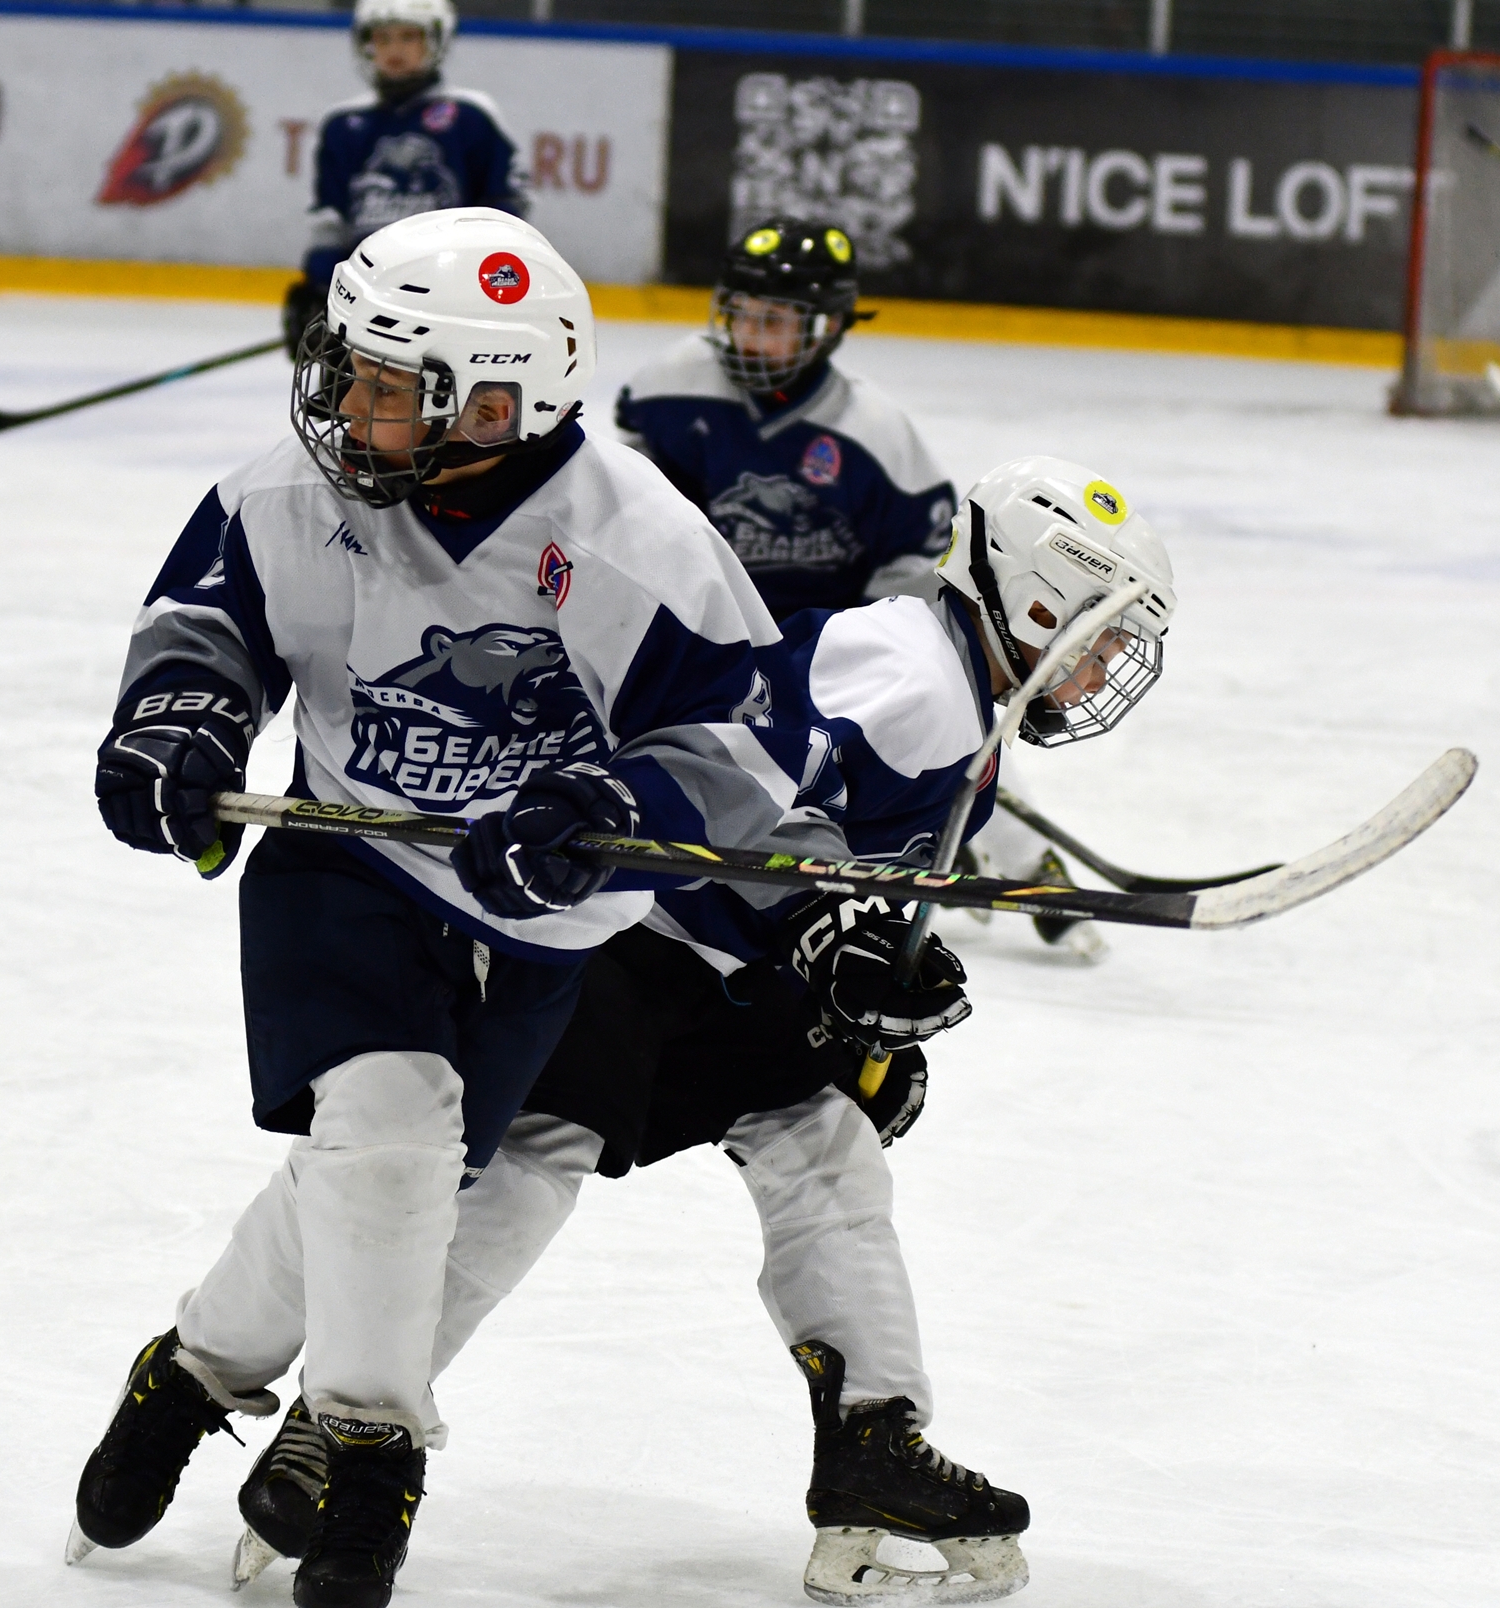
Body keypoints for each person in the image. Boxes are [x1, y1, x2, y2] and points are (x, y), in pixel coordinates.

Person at [65, 207, 848, 1608]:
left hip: (541, 928)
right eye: (351, 368)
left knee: (376, 1188)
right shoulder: (288, 498)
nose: (346, 404)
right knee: (390, 1130)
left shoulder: (630, 539)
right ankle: (373, 1447)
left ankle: (190, 1372)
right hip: (347, 869)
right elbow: (204, 628)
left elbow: (737, 741)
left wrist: (616, 818)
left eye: (387, 385)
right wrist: (178, 722)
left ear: (498, 400)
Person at [224, 457, 1179, 1605]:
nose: (1107, 663)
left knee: (821, 1141)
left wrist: (865, 997)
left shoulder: (964, 697)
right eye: (1100, 632)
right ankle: (342, 1432)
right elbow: (768, 786)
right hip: (641, 939)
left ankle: (873, 1444)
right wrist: (826, 930)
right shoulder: (911, 671)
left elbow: (838, 867)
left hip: (719, 964)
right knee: (530, 1163)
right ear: (1034, 595)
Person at [621, 214, 1112, 961]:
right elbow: (631, 518)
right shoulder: (666, 390)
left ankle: (1023, 863)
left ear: (825, 328)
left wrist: (861, 653)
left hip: (827, 653)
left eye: (775, 321)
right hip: (714, 645)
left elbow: (929, 564)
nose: (750, 336)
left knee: (950, 732)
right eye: (742, 315)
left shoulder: (878, 435)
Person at [283, 0, 527, 355]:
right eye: (383, 39)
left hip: (448, 298)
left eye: (409, 37)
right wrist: (322, 288)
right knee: (347, 405)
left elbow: (505, 212)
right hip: (368, 296)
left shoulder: (472, 117)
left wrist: (483, 289)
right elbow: (330, 218)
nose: (394, 50)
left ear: (437, 42)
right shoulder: (342, 125)